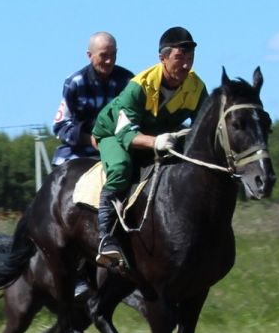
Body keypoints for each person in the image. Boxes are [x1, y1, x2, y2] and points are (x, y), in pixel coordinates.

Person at [88, 25, 207, 273]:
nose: (186, 66)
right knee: (121, 167)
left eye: (190, 59)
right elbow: (126, 134)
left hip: (155, 134)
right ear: (162, 58)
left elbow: (202, 128)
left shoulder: (196, 87)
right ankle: (105, 237)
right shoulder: (139, 86)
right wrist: (156, 142)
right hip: (113, 133)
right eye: (179, 58)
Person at [51, 32, 133, 165]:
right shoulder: (76, 82)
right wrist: (90, 139)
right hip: (78, 154)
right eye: (104, 55)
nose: (109, 61)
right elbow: (60, 126)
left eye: (113, 55)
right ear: (89, 55)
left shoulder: (128, 81)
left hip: (118, 151)